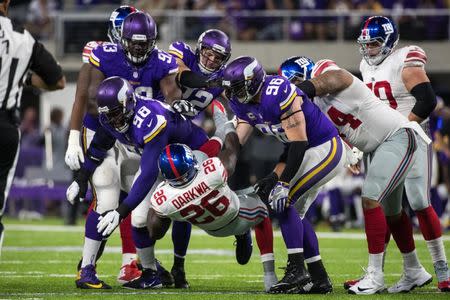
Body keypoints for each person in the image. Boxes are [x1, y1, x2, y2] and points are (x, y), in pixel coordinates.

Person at [278, 55, 440, 294]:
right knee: (393, 213)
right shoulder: (312, 108)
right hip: (377, 146)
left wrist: (300, 90)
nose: (289, 94)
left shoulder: (324, 70)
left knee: (370, 198)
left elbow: (339, 77)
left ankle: (375, 276)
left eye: (291, 86)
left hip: (397, 135)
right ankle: (414, 270)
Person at [66, 76, 224, 289]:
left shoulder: (150, 119)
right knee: (139, 219)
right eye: (109, 115)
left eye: (116, 114)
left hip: (191, 158)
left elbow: (148, 172)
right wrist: (81, 178)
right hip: (163, 159)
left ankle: (239, 234)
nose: (114, 120)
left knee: (205, 214)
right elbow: (97, 148)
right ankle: (150, 273)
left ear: (129, 104)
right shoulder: (109, 116)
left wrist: (120, 211)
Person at [222, 56, 346, 294]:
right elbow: (236, 144)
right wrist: (222, 170)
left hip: (323, 147)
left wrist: (284, 181)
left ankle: (297, 271)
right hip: (300, 152)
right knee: (292, 211)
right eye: (232, 89)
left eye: (238, 87)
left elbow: (299, 142)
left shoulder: (278, 91)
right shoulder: (242, 104)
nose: (235, 94)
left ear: (254, 81)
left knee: (284, 199)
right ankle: (319, 278)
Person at [357, 16, 449, 292]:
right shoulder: (364, 65)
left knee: (420, 200)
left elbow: (427, 100)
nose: (369, 49)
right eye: (366, 44)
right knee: (389, 209)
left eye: (374, 44)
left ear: (388, 42)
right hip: (384, 142)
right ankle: (408, 271)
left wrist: (402, 127)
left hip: (412, 136)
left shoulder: (405, 58)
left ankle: (443, 269)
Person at [64, 6, 153, 288]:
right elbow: (82, 95)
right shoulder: (100, 53)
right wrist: (73, 136)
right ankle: (88, 266)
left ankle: (132, 262)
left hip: (132, 135)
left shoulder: (152, 59)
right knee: (106, 197)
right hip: (100, 130)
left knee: (135, 202)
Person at [147, 101, 278, 292]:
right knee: (262, 210)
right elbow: (232, 149)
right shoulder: (212, 171)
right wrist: (226, 126)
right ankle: (269, 275)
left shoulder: (164, 197)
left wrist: (165, 207)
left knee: (180, 208)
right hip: (236, 217)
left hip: (209, 227)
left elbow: (155, 232)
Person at [0, 0, 65, 256]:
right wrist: (23, 78)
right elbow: (58, 81)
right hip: (4, 126)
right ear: (5, 4)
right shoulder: (23, 37)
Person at [167, 28, 230, 115]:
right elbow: (183, 76)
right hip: (163, 110)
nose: (212, 60)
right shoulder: (185, 54)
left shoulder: (224, 74)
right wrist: (212, 83)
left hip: (185, 122)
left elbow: (238, 100)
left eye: (218, 57)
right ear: (200, 49)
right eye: (209, 54)